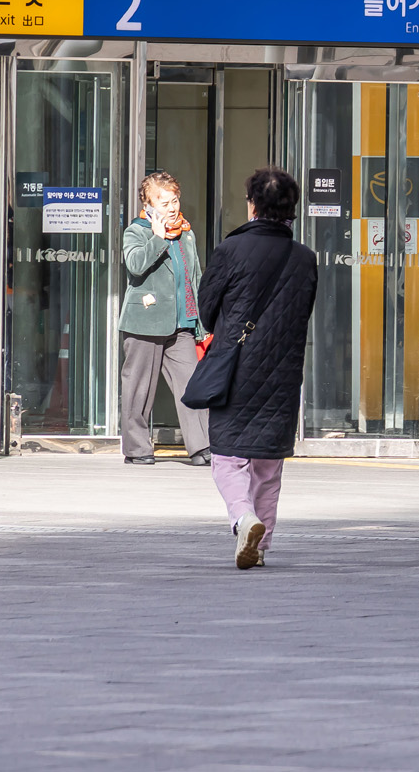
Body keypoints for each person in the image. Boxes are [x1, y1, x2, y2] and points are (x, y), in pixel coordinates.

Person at [197, 166, 318, 570]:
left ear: (253, 205)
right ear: (291, 209)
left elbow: (208, 313)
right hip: (283, 374)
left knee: (228, 457)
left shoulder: (229, 251)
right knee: (268, 464)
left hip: (236, 369)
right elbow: (303, 313)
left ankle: (243, 518)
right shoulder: (305, 259)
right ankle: (260, 545)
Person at [119, 171, 210, 466]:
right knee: (138, 389)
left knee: (192, 385)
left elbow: (194, 277)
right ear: (148, 203)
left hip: (181, 322)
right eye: (164, 201)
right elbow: (135, 266)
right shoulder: (137, 231)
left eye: (175, 200)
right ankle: (137, 448)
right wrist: (157, 239)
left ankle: (202, 447)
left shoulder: (186, 232)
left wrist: (201, 322)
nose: (171, 207)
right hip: (145, 321)